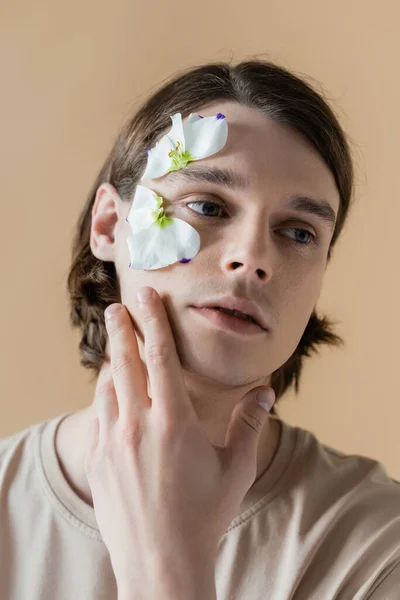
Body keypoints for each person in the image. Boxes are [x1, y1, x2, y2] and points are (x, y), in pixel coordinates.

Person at [1, 59, 399, 599]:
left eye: (299, 233)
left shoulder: (378, 545)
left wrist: (169, 574)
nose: (253, 258)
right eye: (208, 205)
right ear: (110, 226)